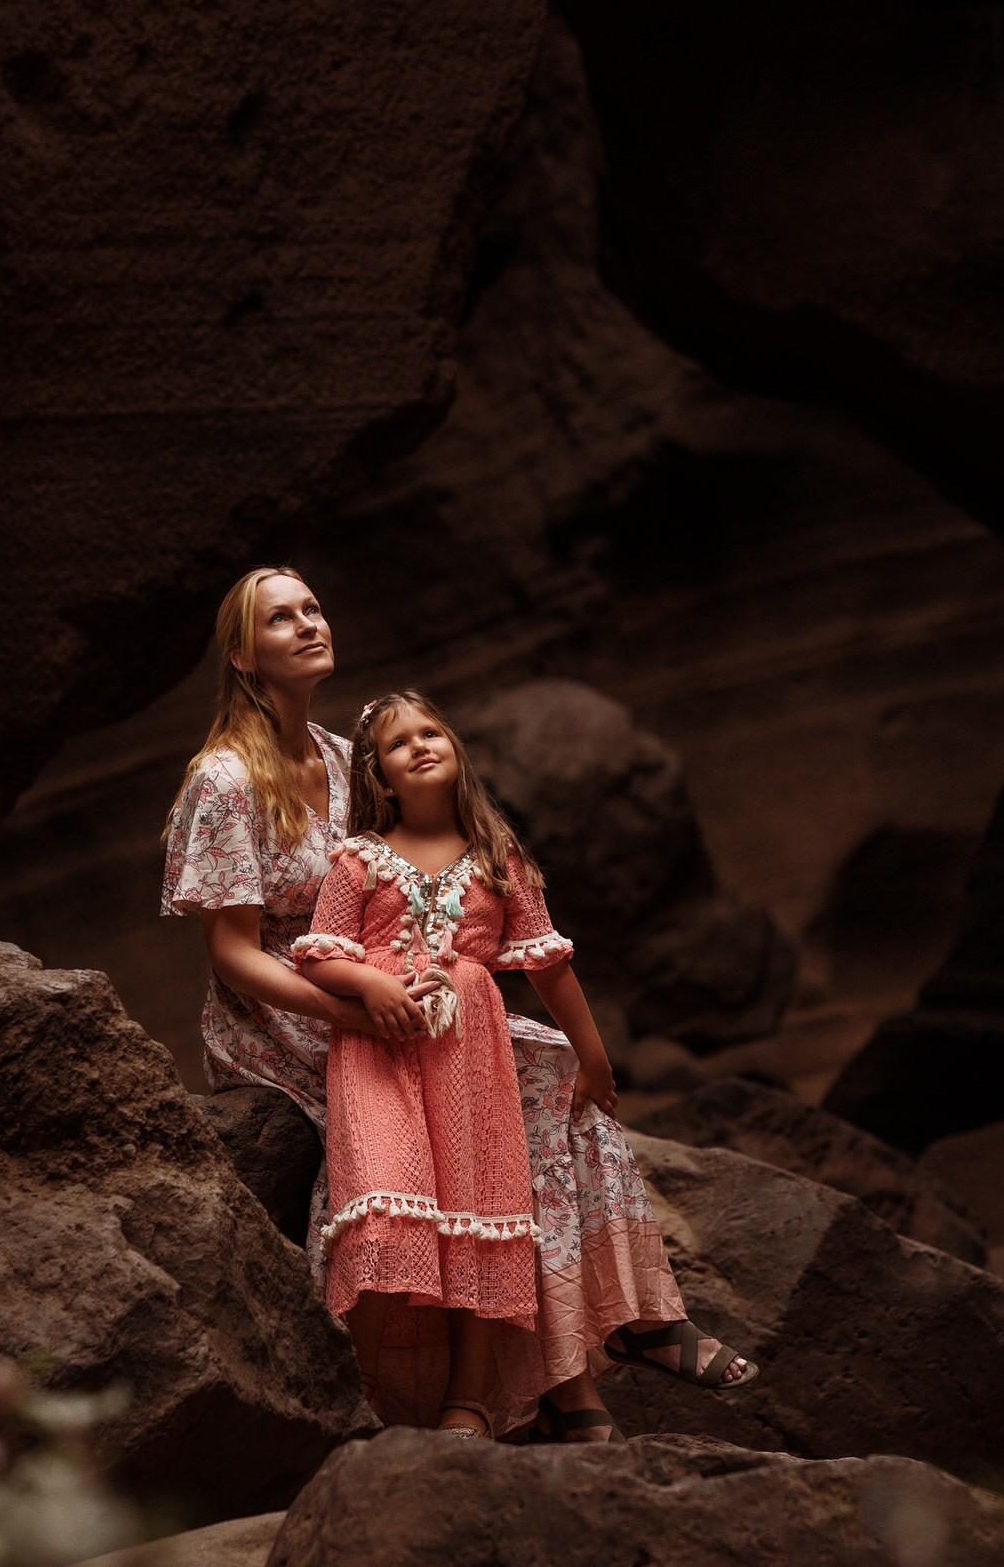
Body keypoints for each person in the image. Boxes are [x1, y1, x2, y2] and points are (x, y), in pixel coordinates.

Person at [160, 566, 757, 1443]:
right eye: (280, 619)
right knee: (488, 1109)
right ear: (244, 655)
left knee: (552, 1089)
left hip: (407, 988)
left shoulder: (338, 754)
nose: (308, 624)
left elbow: (415, 880)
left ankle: (609, 1334)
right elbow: (233, 955)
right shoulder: (224, 779)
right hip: (289, 1012)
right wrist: (363, 1007)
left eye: (315, 608)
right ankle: (535, 1381)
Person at [288, 692, 553, 1436]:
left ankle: (465, 1400)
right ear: (378, 776)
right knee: (380, 1205)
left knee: (474, 1216)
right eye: (400, 743)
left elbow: (549, 963)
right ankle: (359, 1394)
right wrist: (371, 981)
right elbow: (319, 956)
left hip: (470, 1059)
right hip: (375, 1054)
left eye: (433, 730)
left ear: (458, 746)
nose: (422, 746)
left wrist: (595, 1068)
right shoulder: (358, 859)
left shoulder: (498, 857)